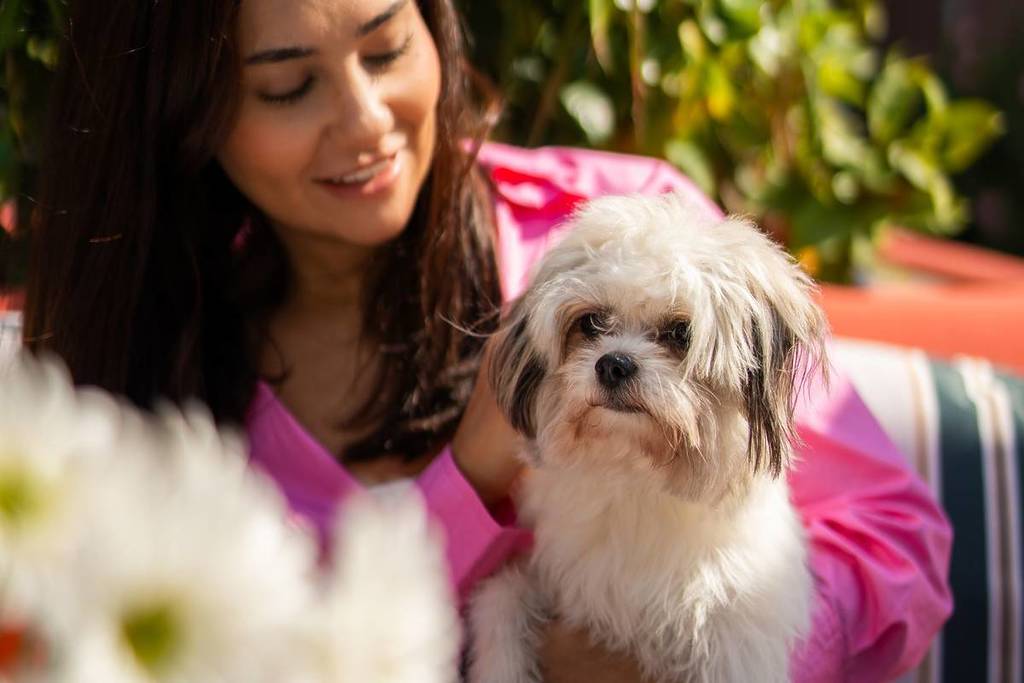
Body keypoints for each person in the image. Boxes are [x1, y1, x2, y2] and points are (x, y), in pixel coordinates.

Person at [23, 0, 951, 680]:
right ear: (186, 113)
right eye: (289, 85)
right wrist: (463, 482)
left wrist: (706, 655)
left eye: (386, 47)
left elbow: (900, 541)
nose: (365, 121)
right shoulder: (148, 349)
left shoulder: (628, 222)